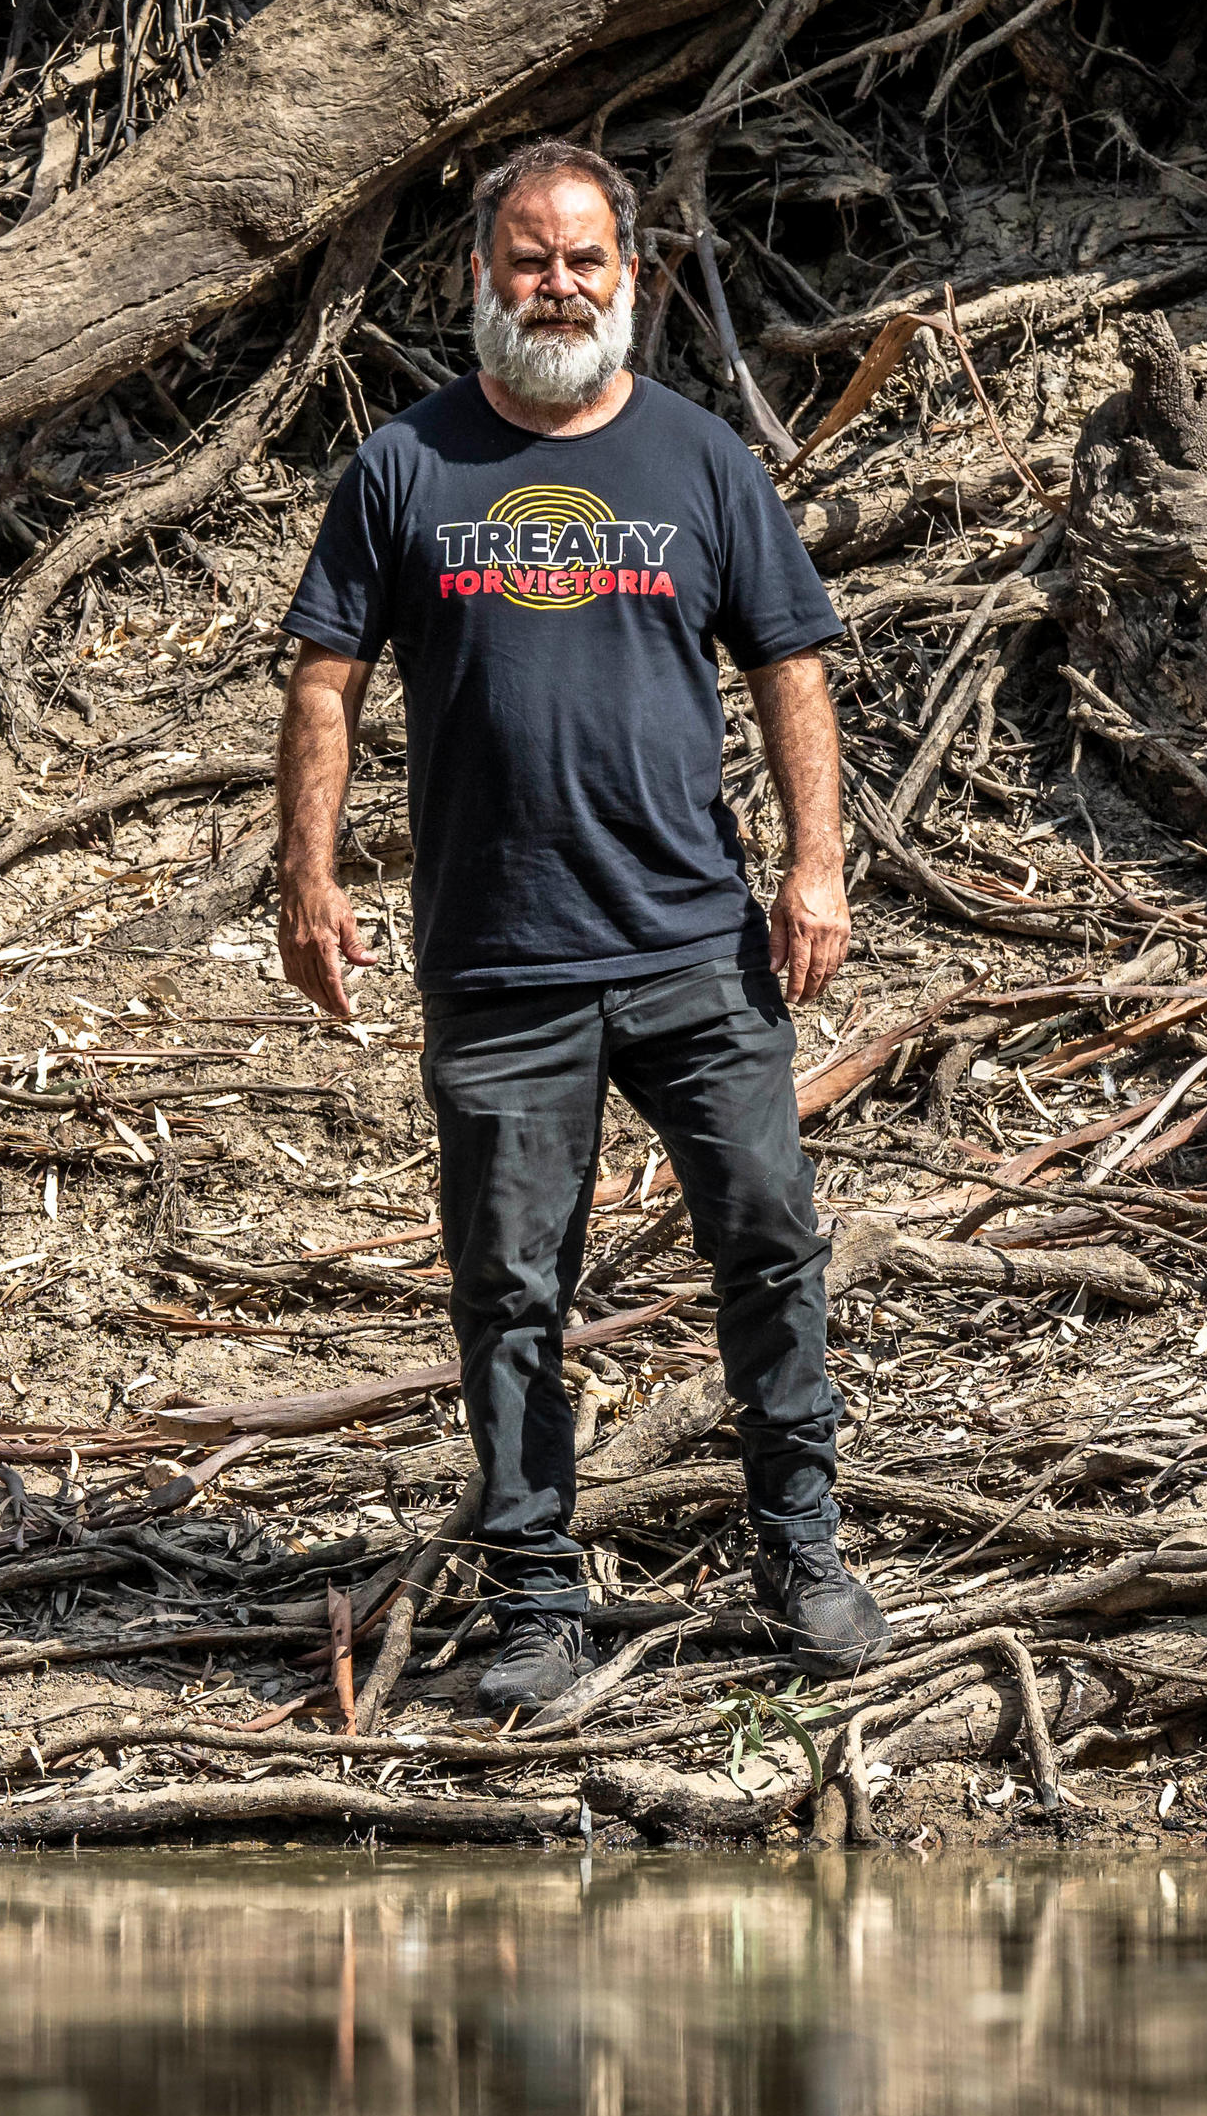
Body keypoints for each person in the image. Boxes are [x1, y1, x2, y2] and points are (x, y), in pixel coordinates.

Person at [275, 141, 888, 1719]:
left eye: (585, 259)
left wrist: (815, 866)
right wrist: (310, 874)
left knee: (768, 1244)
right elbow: (325, 676)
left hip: (693, 944)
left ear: (633, 276)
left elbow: (793, 662)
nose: (558, 285)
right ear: (482, 277)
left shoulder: (698, 461)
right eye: (528, 260)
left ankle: (802, 1556)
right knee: (509, 1288)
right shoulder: (407, 466)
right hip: (498, 958)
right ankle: (538, 1597)